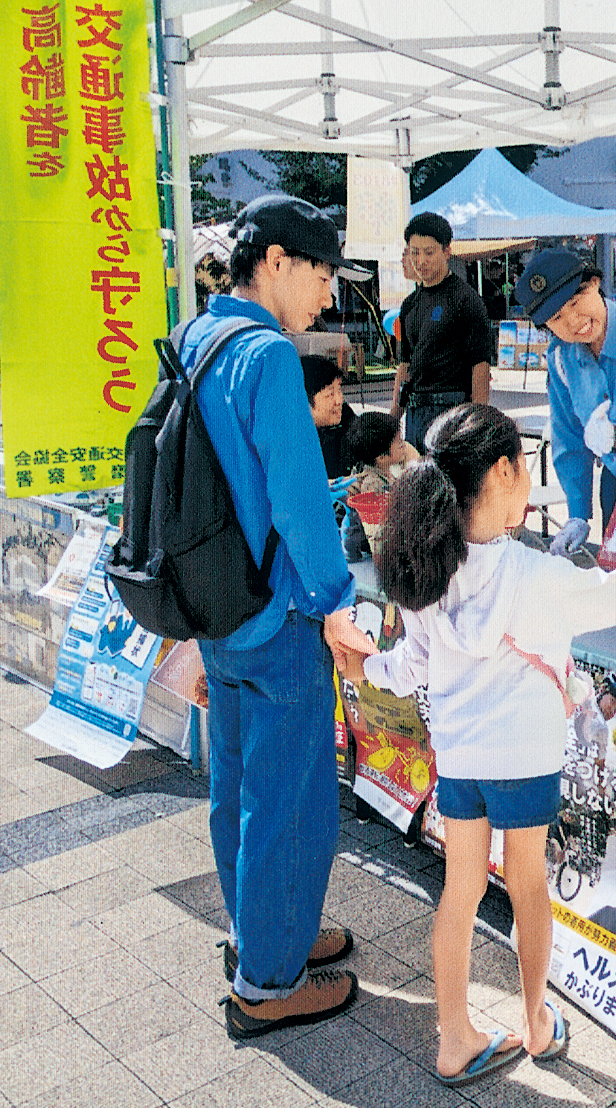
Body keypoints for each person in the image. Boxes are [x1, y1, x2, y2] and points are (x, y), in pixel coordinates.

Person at [346, 402, 616, 1083]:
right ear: (503, 472)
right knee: (528, 887)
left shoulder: (425, 567)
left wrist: (363, 668)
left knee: (461, 890)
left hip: (460, 761)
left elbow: (406, 666)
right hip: (525, 761)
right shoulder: (536, 576)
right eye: (524, 470)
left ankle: (455, 1037)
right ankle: (536, 1022)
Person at [182, 193, 378, 1040]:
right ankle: (268, 982)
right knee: (290, 797)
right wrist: (339, 604)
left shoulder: (198, 338)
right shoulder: (265, 354)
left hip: (219, 609)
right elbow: (299, 503)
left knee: (236, 785)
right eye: (323, 273)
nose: (327, 296)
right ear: (276, 263)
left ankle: (265, 934)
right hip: (277, 614)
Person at [514, 248, 616, 554]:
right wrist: (577, 513)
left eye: (576, 303)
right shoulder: (562, 358)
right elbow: (569, 436)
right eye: (557, 317)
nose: (573, 322)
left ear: (595, 283)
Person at [391, 212, 491, 450]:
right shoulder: (409, 305)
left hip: (452, 413)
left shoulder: (465, 299)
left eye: (429, 252)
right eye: (414, 252)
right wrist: (393, 419)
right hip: (415, 414)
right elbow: (405, 365)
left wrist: (477, 424)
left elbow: (481, 366)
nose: (421, 260)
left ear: (446, 251)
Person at [338, 411, 418, 560]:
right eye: (398, 443)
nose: (403, 445)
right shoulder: (373, 484)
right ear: (381, 457)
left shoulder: (385, 470)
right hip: (365, 541)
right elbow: (378, 523)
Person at [302, 354, 356, 480]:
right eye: (330, 394)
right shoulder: (290, 438)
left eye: (339, 390)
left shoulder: (345, 415)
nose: (339, 400)